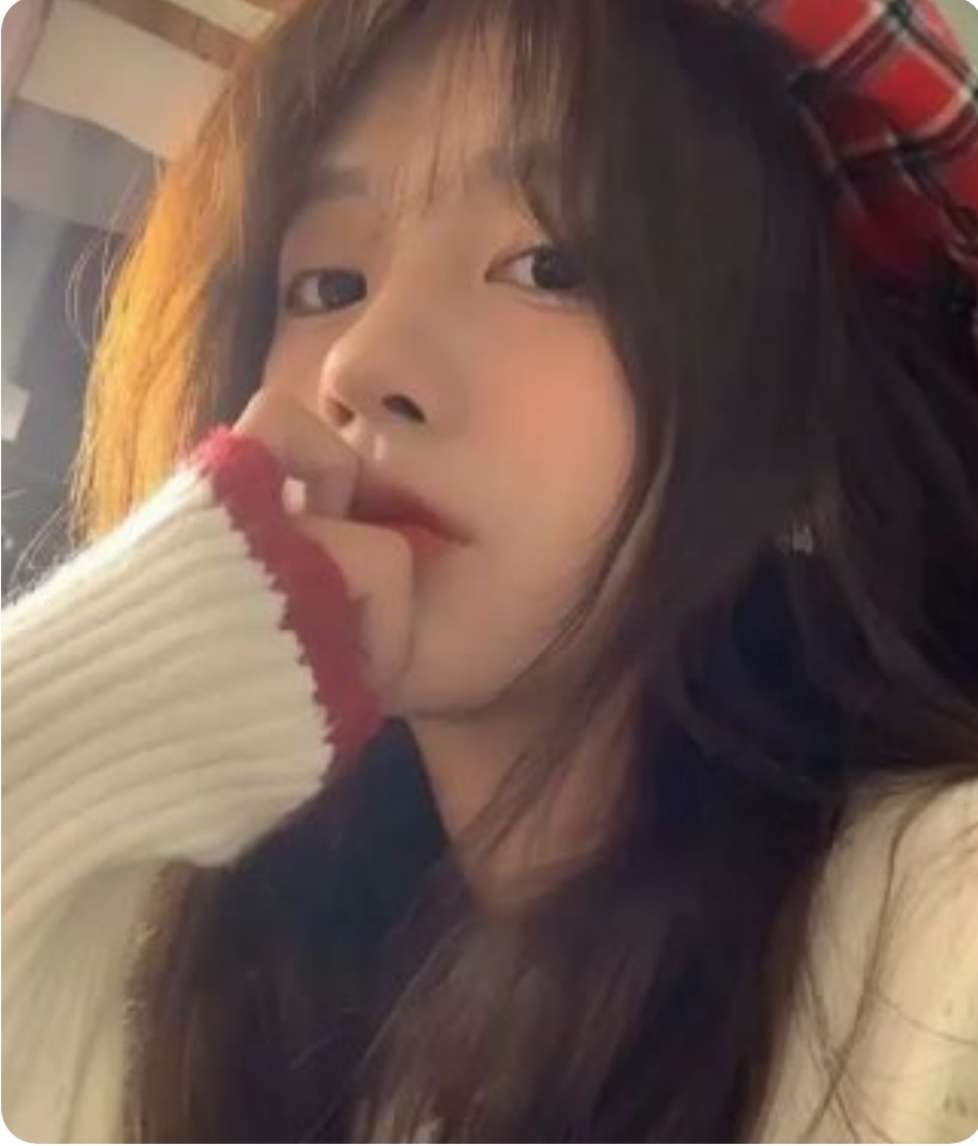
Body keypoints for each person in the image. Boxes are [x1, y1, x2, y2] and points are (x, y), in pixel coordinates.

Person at [3, 0, 978, 1140]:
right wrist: (123, 681)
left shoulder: (934, 942)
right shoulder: (217, 976)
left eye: (548, 265)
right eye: (327, 284)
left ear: (780, 422)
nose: (362, 364)